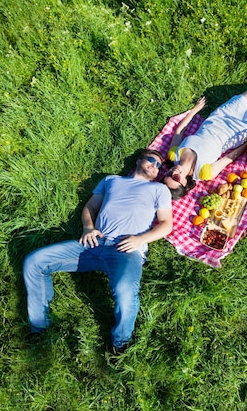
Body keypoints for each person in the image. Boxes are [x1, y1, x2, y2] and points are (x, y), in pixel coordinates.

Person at [23, 149, 173, 355]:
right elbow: (90, 207)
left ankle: (120, 343)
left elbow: (166, 224)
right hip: (94, 242)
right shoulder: (111, 180)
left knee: (125, 291)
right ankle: (39, 328)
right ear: (139, 161)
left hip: (126, 249)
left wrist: (140, 239)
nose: (155, 167)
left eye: (158, 166)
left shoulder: (158, 189)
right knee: (35, 261)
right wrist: (87, 227)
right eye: (151, 160)